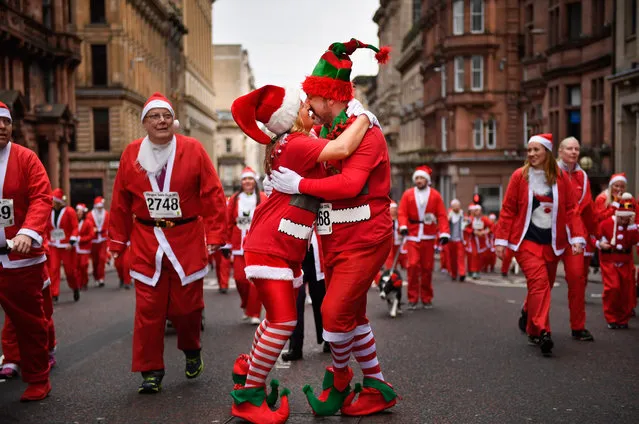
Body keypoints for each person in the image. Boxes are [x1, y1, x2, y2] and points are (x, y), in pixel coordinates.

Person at [229, 82, 376, 423]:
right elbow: (340, 149)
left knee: (274, 321)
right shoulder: (296, 144)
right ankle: (249, 396)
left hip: (278, 246)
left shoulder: (288, 143)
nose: (309, 106)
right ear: (289, 118)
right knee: (283, 322)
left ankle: (248, 372)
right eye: (302, 105)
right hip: (272, 247)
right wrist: (365, 118)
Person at [269, 38, 399, 417]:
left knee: (334, 311)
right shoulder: (330, 131)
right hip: (335, 239)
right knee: (352, 315)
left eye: (313, 98)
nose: (309, 106)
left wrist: (300, 185)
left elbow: (349, 185)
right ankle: (375, 385)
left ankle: (339, 379)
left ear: (330, 97)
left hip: (366, 237)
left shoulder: (367, 133)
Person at [108, 92, 227, 394]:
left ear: (173, 120)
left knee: (187, 308)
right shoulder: (131, 153)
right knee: (148, 310)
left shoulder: (193, 149)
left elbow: (213, 193)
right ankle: (151, 370)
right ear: (144, 123)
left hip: (185, 237)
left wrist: (214, 235)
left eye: (165, 116)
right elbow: (121, 201)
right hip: (147, 239)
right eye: (154, 117)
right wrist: (117, 241)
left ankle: (191, 348)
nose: (161, 121)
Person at [494, 133, 585, 357]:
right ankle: (543, 331)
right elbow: (508, 210)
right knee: (540, 284)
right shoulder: (519, 176)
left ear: (547, 152)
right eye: (529, 150)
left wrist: (576, 238)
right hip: (526, 242)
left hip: (552, 243)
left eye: (536, 149)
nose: (532, 154)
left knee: (544, 285)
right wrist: (501, 241)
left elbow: (572, 209)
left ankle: (531, 320)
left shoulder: (561, 177)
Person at [0, 101, 54, 400]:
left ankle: (38, 379)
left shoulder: (26, 158)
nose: (1, 126)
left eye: (6, 122)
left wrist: (27, 233)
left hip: (19, 259)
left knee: (30, 323)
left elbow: (41, 197)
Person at [555, 136, 596, 341]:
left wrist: (595, 234)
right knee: (542, 280)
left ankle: (578, 327)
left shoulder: (583, 177)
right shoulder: (549, 172)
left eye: (577, 149)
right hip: (551, 235)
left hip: (575, 237)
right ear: (560, 151)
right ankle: (530, 314)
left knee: (577, 278)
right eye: (569, 148)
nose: (573, 152)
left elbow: (588, 209)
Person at [397, 165, 450, 308]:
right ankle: (413, 298)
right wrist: (403, 226)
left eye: (422, 178)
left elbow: (442, 215)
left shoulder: (435, 195)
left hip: (428, 235)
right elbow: (402, 213)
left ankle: (426, 298)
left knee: (427, 268)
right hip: (413, 235)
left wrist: (444, 232)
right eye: (417, 178)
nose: (419, 180)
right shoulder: (408, 194)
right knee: (413, 266)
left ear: (427, 180)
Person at [282, 230, 329, 361]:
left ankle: (328, 340)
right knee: (296, 303)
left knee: (321, 301)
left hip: (317, 252)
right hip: (296, 251)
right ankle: (295, 348)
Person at [227, 166, 266, 324]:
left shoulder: (263, 197)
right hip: (238, 246)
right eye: (245, 179)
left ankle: (254, 312)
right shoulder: (235, 199)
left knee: (254, 281)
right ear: (241, 182)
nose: (247, 182)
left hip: (257, 246)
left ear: (255, 181)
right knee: (240, 279)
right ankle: (246, 304)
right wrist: (226, 244)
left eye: (250, 179)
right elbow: (228, 221)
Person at [596, 193, 638, 329]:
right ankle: (611, 317)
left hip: (625, 261)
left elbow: (633, 241)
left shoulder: (631, 228)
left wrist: (631, 227)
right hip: (609, 261)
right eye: (622, 218)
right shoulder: (606, 224)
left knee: (626, 290)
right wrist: (599, 244)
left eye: (628, 219)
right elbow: (592, 236)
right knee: (613, 288)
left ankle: (622, 318)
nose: (624, 221)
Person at [48, 188, 80, 302]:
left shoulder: (69, 211)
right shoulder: (49, 211)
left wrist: (71, 242)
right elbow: (47, 227)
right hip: (53, 244)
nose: (52, 202)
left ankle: (75, 287)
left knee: (70, 271)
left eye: (54, 200)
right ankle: (54, 293)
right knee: (53, 269)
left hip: (66, 246)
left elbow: (75, 227)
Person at [464, 204, 492, 280]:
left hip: (481, 240)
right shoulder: (470, 219)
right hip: (472, 240)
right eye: (476, 210)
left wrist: (485, 231)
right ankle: (473, 271)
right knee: (474, 254)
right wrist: (473, 232)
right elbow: (465, 227)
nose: (478, 212)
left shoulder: (484, 219)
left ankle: (477, 270)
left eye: (479, 210)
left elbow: (492, 226)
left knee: (480, 256)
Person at [88, 196, 109, 287]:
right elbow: (89, 226)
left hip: (103, 239)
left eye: (101, 206)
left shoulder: (106, 214)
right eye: (98, 207)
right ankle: (96, 276)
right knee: (95, 260)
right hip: (94, 240)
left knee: (102, 259)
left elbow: (108, 225)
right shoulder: (90, 215)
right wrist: (93, 229)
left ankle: (101, 278)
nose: (100, 208)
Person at [75, 203, 94, 291]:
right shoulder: (74, 221)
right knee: (77, 267)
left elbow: (91, 235)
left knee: (83, 266)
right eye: (77, 212)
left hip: (84, 249)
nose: (78, 214)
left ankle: (85, 282)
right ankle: (79, 284)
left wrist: (80, 239)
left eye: (80, 212)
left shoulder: (88, 223)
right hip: (75, 249)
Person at [447, 199, 466, 281]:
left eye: (457, 206)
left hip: (460, 240)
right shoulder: (449, 216)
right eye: (454, 206)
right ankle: (454, 274)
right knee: (453, 259)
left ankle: (462, 273)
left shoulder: (462, 215)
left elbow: (468, 224)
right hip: (451, 240)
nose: (456, 208)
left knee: (461, 257)